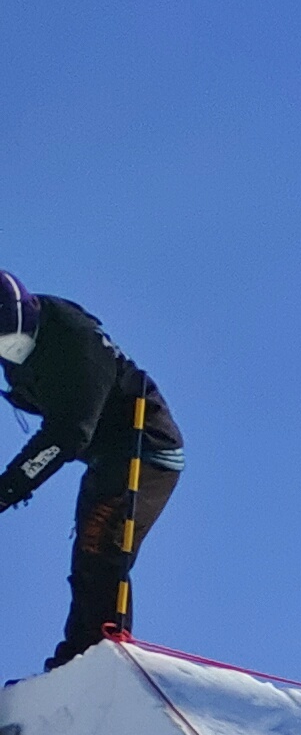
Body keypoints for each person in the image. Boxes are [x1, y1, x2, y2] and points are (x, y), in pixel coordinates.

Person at [0, 274, 184, 673]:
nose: (9, 350)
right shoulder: (19, 353)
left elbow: (69, 433)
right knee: (88, 555)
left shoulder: (74, 341)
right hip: (104, 455)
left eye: (12, 338)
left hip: (144, 447)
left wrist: (9, 486)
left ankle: (102, 653)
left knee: (101, 547)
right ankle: (79, 657)